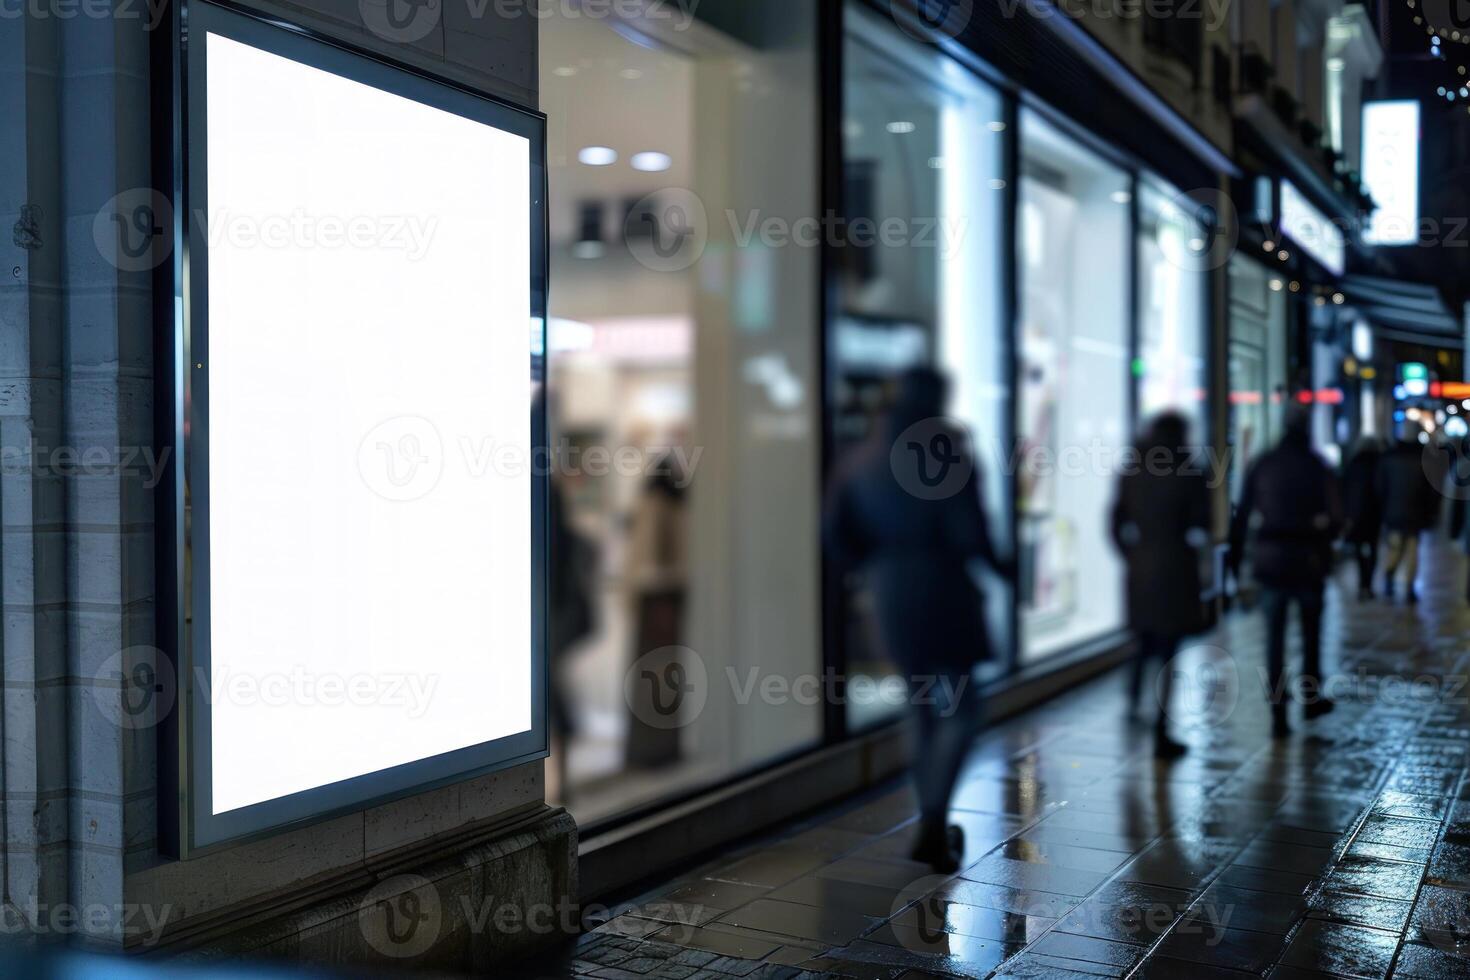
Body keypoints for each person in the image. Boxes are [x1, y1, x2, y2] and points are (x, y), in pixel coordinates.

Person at [825, 367, 1010, 872]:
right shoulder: (947, 454)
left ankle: (930, 815)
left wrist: (876, 565)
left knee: (921, 707)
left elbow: (836, 536)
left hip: (889, 592)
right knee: (964, 708)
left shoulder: (860, 457)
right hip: (943, 585)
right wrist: (1002, 569)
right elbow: (972, 532)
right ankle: (932, 818)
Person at [1228, 404, 1342, 737]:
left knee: (1274, 640)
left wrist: (1236, 567)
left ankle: (1278, 714)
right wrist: (1321, 533)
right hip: (1308, 561)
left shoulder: (1263, 463)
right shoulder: (1318, 466)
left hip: (1271, 562)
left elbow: (1242, 516)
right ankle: (1310, 699)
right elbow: (1336, 517)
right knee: (1310, 636)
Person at [1110, 412, 1211, 759]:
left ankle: (1133, 700)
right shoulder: (1190, 470)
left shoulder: (1133, 468)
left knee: (1142, 637)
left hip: (1140, 567)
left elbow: (1114, 519)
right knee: (1169, 651)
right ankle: (1161, 731)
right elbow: (1203, 521)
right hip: (1176, 567)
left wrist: (1129, 553)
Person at [1376, 419, 1442, 603]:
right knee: (1412, 552)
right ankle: (1409, 588)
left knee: (1395, 549)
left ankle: (1389, 579)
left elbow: (1380, 487)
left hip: (1393, 513)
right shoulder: (1424, 458)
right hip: (1416, 514)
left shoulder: (1388, 457)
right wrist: (1431, 512)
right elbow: (1432, 489)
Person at [1341, 436, 1385, 600]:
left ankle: (1362, 584)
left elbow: (1344, 490)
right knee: (1373, 548)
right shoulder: (1379, 463)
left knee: (1359, 550)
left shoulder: (1353, 464)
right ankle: (1368, 583)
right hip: (1374, 513)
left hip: (1356, 514)